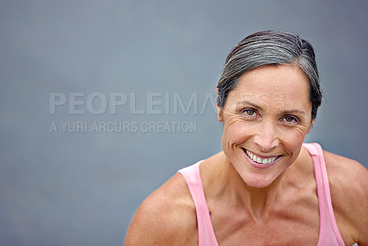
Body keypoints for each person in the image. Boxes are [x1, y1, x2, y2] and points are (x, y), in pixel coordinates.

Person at [124, 30, 368, 245]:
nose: (265, 141)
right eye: (249, 112)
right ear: (220, 106)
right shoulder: (163, 220)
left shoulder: (352, 190)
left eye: (289, 118)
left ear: (311, 120)